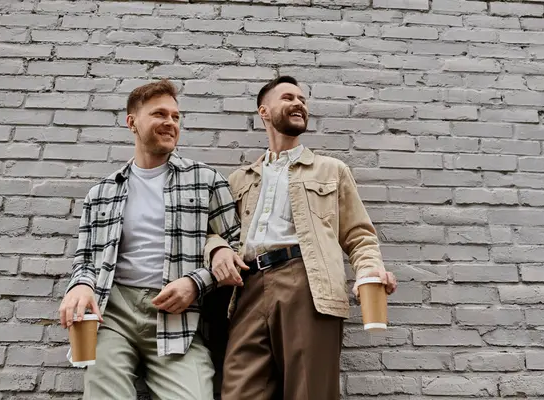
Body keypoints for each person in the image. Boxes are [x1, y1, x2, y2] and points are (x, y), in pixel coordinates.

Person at [205, 75, 398, 400]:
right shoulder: (239, 179)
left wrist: (369, 271)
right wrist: (216, 249)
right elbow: (213, 232)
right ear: (264, 111)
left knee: (309, 392)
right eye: (288, 97)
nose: (299, 103)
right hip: (247, 290)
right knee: (237, 391)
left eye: (303, 100)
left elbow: (359, 235)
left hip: (307, 284)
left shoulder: (330, 170)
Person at [58, 79, 241, 399]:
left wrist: (195, 283)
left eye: (175, 116)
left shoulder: (206, 180)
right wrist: (81, 285)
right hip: (112, 314)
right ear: (132, 122)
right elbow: (85, 258)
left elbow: (236, 247)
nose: (170, 122)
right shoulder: (101, 193)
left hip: (178, 319)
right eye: (159, 114)